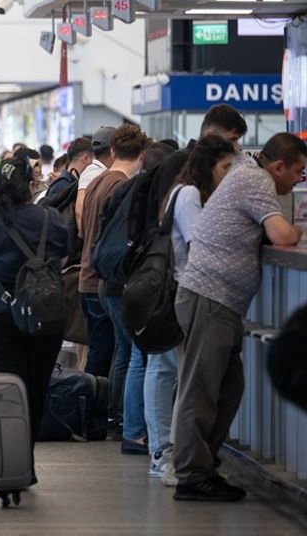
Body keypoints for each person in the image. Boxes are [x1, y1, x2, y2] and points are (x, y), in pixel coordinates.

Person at [172, 133, 306, 502]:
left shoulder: (248, 175)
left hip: (221, 302)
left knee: (229, 390)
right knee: (200, 390)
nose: (298, 180)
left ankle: (201, 466)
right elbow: (281, 233)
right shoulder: (255, 179)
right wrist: (297, 229)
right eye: (298, 171)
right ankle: (191, 475)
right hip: (209, 297)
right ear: (278, 166)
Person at [0, 158, 70, 475]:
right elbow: (62, 257)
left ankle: (2, 465)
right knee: (35, 391)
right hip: (44, 316)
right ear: (30, 184)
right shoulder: (50, 217)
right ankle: (26, 462)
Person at [146, 135, 237, 486]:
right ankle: (171, 458)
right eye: (225, 167)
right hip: (190, 292)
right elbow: (202, 243)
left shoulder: (186, 193)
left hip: (189, 294)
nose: (229, 174)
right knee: (182, 380)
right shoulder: (188, 196)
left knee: (181, 377)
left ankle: (177, 457)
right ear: (207, 166)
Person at [77, 123, 148, 443]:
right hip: (107, 278)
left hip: (92, 277)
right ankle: (110, 418)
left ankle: (104, 416)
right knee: (125, 353)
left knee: (117, 353)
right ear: (142, 154)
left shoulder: (96, 181)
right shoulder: (122, 185)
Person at [75, 126, 116, 228]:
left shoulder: (96, 170)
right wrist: (89, 239)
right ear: (113, 150)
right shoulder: (93, 172)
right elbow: (79, 211)